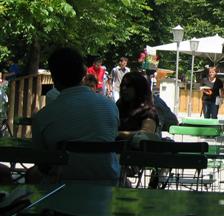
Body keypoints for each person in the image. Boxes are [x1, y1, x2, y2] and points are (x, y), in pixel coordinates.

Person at [32, 47, 120, 183]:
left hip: (60, 188)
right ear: (84, 73)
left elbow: (41, 161)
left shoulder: (43, 116)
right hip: (107, 183)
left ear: (54, 78)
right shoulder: (110, 106)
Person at [117, 71, 159, 136]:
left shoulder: (148, 111)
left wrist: (118, 134)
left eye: (128, 86)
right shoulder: (119, 106)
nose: (124, 88)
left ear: (139, 88)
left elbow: (147, 133)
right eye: (122, 85)